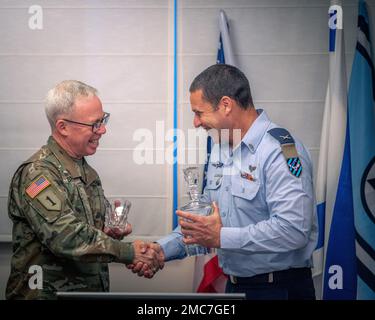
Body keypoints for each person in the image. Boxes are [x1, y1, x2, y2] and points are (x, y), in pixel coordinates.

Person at [156, 64, 318, 300]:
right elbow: (206, 223)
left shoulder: (281, 150)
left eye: (199, 112)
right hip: (235, 289)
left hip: (280, 289)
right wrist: (160, 250)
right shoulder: (222, 150)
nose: (196, 123)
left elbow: (293, 230)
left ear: (225, 105)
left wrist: (221, 237)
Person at [6, 80, 163, 300]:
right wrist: (129, 252)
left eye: (103, 120)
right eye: (94, 124)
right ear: (63, 127)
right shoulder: (38, 174)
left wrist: (109, 231)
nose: (103, 129)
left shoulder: (86, 172)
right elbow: (66, 236)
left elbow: (88, 230)